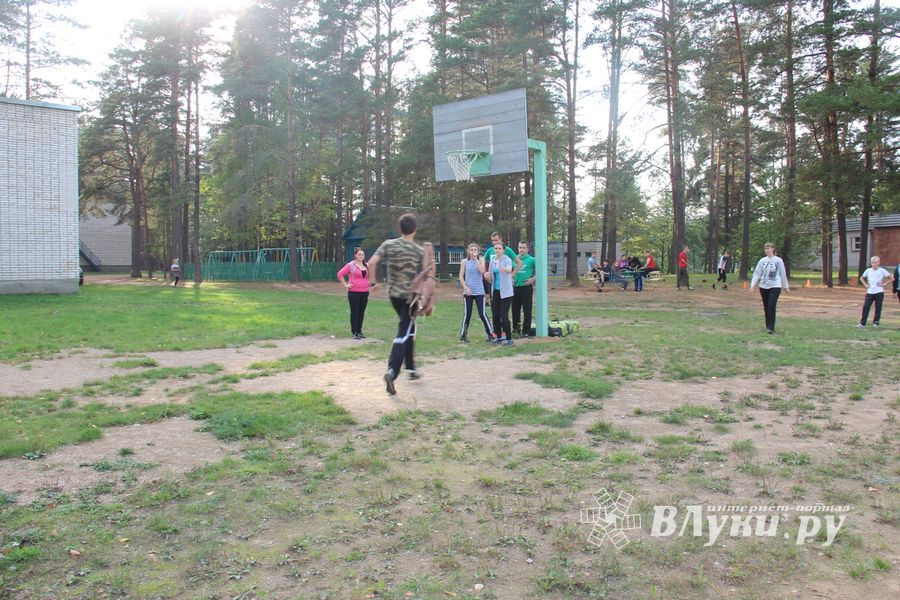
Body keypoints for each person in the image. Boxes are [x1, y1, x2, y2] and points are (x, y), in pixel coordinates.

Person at [366, 213, 432, 395]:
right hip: (410, 298)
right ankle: (392, 371)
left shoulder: (388, 244)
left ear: (399, 229)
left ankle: (410, 369)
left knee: (410, 328)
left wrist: (373, 283)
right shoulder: (418, 251)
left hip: (393, 295)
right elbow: (428, 273)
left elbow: (371, 263)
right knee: (404, 331)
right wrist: (428, 252)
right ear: (415, 229)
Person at [749, 242, 790, 334]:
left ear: (773, 249)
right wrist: (752, 285)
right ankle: (768, 325)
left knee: (771, 305)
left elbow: (783, 274)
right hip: (763, 286)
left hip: (775, 286)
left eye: (768, 248)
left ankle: (771, 327)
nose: (766, 250)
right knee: (766, 306)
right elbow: (757, 273)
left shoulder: (778, 261)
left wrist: (785, 286)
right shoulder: (762, 261)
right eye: (765, 248)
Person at [458, 243, 494, 342]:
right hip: (468, 292)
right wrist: (466, 287)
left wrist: (476, 259)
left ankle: (490, 334)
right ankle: (463, 336)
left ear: (478, 251)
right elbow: (460, 276)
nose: (473, 252)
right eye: (472, 250)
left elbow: (482, 271)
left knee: (482, 314)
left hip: (479, 291)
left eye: (475, 250)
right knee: (467, 314)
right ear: (468, 251)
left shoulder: (481, 260)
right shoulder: (464, 262)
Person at [337, 247, 371, 339]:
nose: (361, 256)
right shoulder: (351, 265)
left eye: (363, 254)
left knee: (361, 312)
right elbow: (340, 274)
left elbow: (368, 277)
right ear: (355, 255)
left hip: (365, 292)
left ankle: (359, 331)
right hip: (354, 292)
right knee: (355, 312)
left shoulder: (367, 265)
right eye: (359, 254)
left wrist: (369, 284)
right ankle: (354, 332)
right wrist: (345, 284)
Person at [486, 242, 515, 345]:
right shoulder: (493, 262)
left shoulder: (507, 260)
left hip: (506, 292)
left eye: (499, 248)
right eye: (496, 248)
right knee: (495, 315)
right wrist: (487, 276)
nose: (497, 250)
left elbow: (509, 270)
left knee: (504, 315)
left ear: (503, 250)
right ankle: (498, 336)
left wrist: (505, 269)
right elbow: (490, 279)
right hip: (496, 292)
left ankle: (509, 338)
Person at [857, 255, 893, 328]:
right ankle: (862, 323)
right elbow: (861, 278)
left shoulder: (882, 270)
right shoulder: (868, 270)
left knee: (878, 307)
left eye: (875, 262)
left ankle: (876, 322)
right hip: (870, 292)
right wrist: (866, 285)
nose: (873, 264)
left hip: (879, 292)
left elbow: (892, 278)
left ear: (879, 263)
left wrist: (884, 284)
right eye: (872, 262)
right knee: (866, 307)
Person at [512, 241, 536, 336]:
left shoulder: (532, 260)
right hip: (515, 288)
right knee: (515, 310)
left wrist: (532, 279)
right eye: (519, 247)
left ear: (527, 249)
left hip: (526, 288)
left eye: (523, 247)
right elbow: (510, 271)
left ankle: (526, 331)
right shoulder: (514, 259)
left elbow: (541, 270)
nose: (521, 249)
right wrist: (511, 279)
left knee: (527, 310)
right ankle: (516, 330)